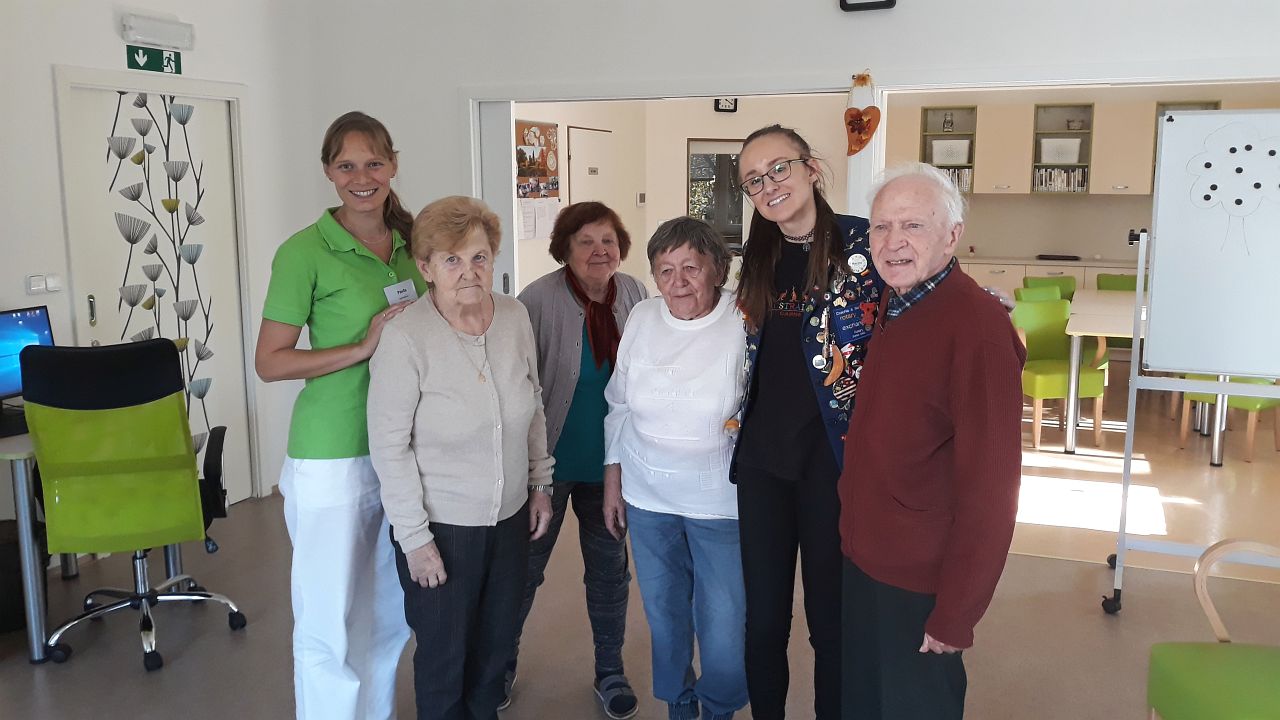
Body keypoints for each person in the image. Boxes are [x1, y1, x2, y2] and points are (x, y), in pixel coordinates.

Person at [838, 164, 1025, 719]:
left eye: (913, 225)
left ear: (952, 235)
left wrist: (956, 614)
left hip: (920, 577)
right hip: (868, 558)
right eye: (880, 226)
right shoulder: (898, 300)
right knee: (865, 704)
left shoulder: (978, 328)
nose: (892, 241)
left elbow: (993, 491)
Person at [256, 111, 421, 720]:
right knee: (327, 621)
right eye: (346, 165)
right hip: (332, 456)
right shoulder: (304, 252)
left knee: (388, 615)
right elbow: (270, 362)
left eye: (373, 163)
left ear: (393, 165)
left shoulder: (413, 245)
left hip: (402, 453)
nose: (361, 177)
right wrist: (360, 347)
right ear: (328, 171)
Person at [367, 195, 555, 720]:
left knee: (495, 651)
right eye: (451, 259)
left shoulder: (514, 316)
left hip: (510, 518)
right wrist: (415, 540)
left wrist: (540, 483)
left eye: (479, 257)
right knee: (445, 661)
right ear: (425, 268)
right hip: (443, 528)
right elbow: (389, 447)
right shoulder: (405, 338)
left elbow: (533, 402)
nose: (469, 271)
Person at [731, 124, 884, 719]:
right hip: (764, 463)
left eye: (779, 168)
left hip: (833, 464)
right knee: (764, 621)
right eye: (753, 180)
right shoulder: (757, 256)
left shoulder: (864, 244)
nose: (769, 185)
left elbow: (920, 298)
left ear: (811, 168)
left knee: (830, 620)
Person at [602, 217, 749, 720]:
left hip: (721, 503)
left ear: (718, 270)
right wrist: (613, 477)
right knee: (664, 616)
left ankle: (720, 708)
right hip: (649, 498)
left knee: (724, 622)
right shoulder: (643, 316)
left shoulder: (744, 317)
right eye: (665, 270)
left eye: (691, 267)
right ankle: (679, 705)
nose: (678, 282)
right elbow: (619, 402)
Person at [508, 201, 647, 719]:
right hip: (546, 465)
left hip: (610, 465)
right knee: (523, 572)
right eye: (585, 241)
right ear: (564, 248)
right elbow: (518, 384)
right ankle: (499, 666)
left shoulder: (633, 294)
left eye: (608, 240)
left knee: (610, 573)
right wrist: (534, 477)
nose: (599, 250)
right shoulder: (536, 300)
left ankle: (610, 670)